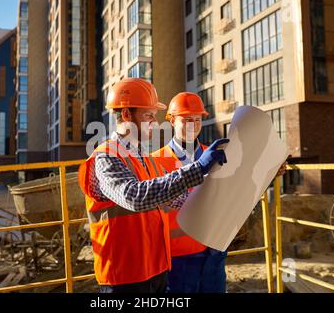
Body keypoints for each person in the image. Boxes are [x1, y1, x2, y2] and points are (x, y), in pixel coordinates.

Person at [78, 79, 229, 293]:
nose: (155, 123)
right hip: (124, 278)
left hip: (155, 271)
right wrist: (197, 169)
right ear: (126, 115)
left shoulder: (145, 159)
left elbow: (177, 199)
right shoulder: (106, 156)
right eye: (149, 116)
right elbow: (134, 197)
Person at [152, 92, 288, 293]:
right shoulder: (155, 160)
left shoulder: (216, 153)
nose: (193, 124)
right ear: (172, 121)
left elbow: (239, 187)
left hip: (213, 253)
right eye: (186, 119)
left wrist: (269, 174)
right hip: (179, 256)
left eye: (197, 119)